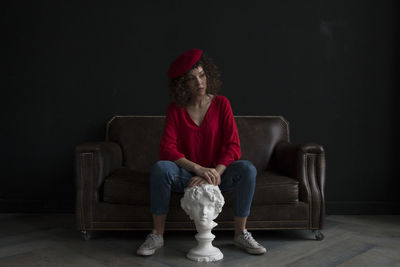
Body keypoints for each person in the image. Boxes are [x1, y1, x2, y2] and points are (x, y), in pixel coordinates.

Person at [136, 49, 266, 256]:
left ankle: (241, 233)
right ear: (182, 84)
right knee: (161, 168)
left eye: (202, 75)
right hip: (187, 176)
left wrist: (214, 173)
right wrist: (197, 169)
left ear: (208, 75)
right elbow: (167, 149)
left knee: (247, 169)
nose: (199, 82)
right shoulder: (175, 109)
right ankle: (157, 235)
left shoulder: (221, 103)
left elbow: (233, 146)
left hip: (218, 175)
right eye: (191, 78)